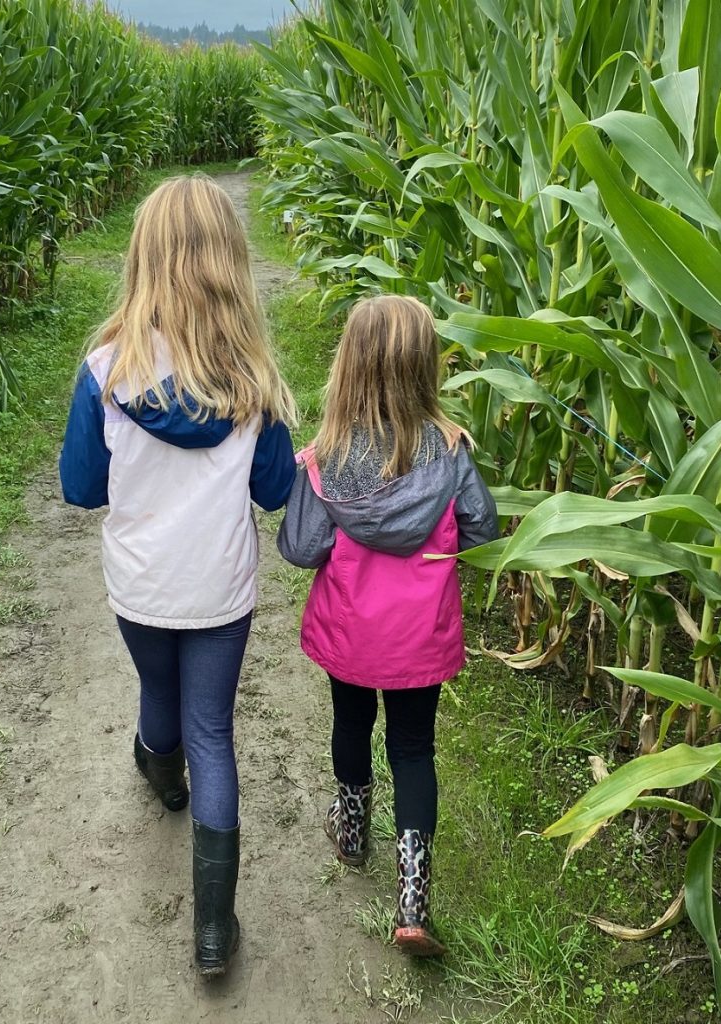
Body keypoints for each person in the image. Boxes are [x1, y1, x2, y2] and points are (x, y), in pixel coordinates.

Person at [59, 174, 297, 978]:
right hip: (220, 589)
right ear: (228, 263)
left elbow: (80, 487)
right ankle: (210, 934)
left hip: (140, 582)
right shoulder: (255, 381)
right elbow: (273, 492)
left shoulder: (103, 371)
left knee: (157, 694)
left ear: (144, 259)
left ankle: (159, 771)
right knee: (214, 735)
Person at [277, 294, 498, 957]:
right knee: (412, 748)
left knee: (350, 724)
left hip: (351, 634)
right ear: (424, 366)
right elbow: (483, 530)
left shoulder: (326, 457)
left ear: (350, 364)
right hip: (419, 635)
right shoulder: (452, 452)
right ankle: (412, 904)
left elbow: (301, 548)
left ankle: (350, 832)